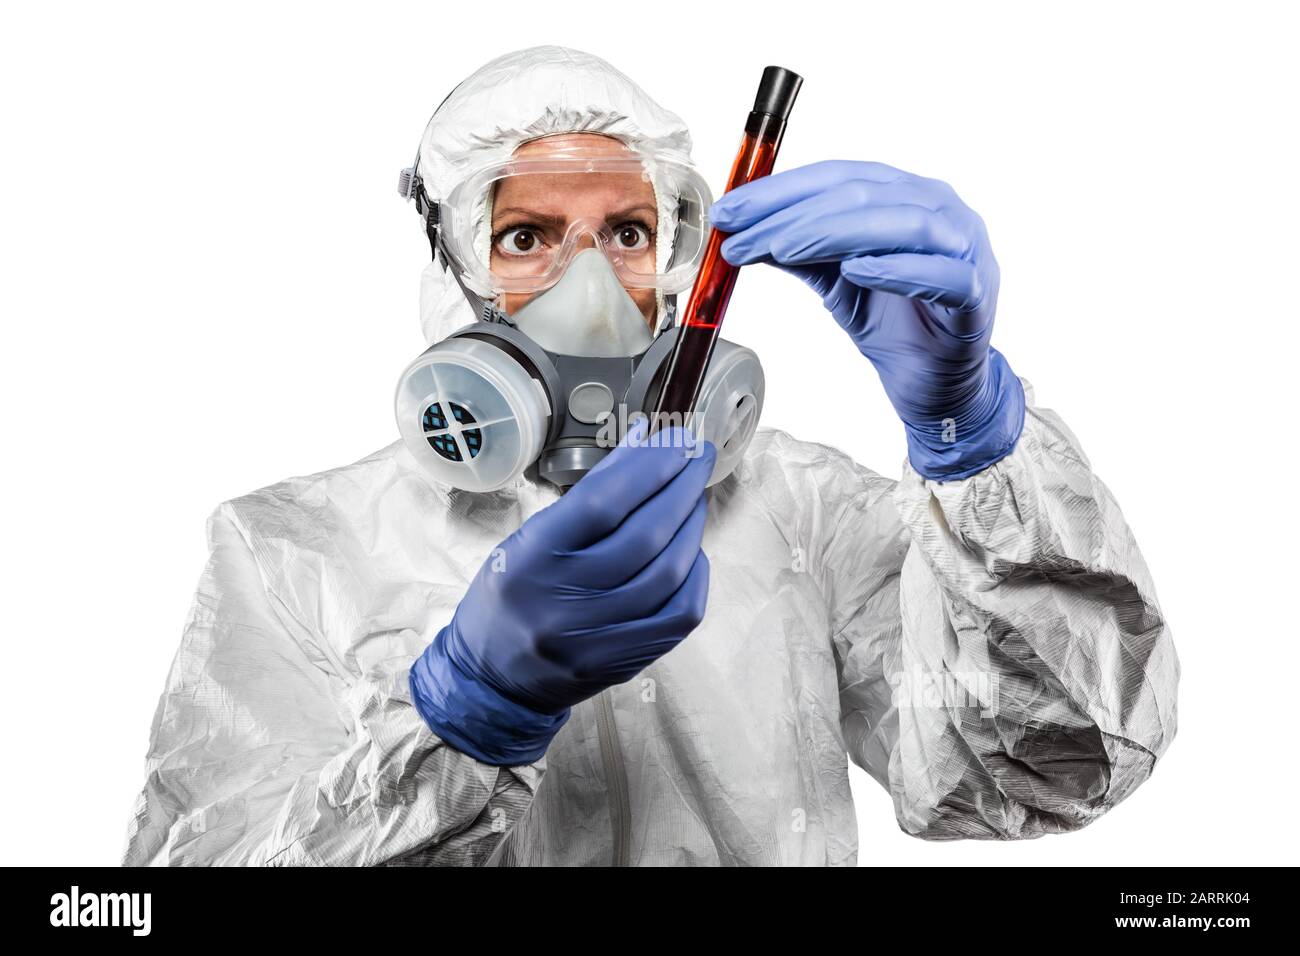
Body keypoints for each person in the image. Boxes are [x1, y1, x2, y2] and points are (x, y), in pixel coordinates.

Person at [123, 46, 1178, 866]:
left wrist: (968, 433)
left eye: (626, 231)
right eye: (528, 236)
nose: (590, 288)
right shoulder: (294, 549)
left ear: (676, 258)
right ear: (452, 266)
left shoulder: (801, 508)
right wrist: (461, 712)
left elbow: (1048, 766)